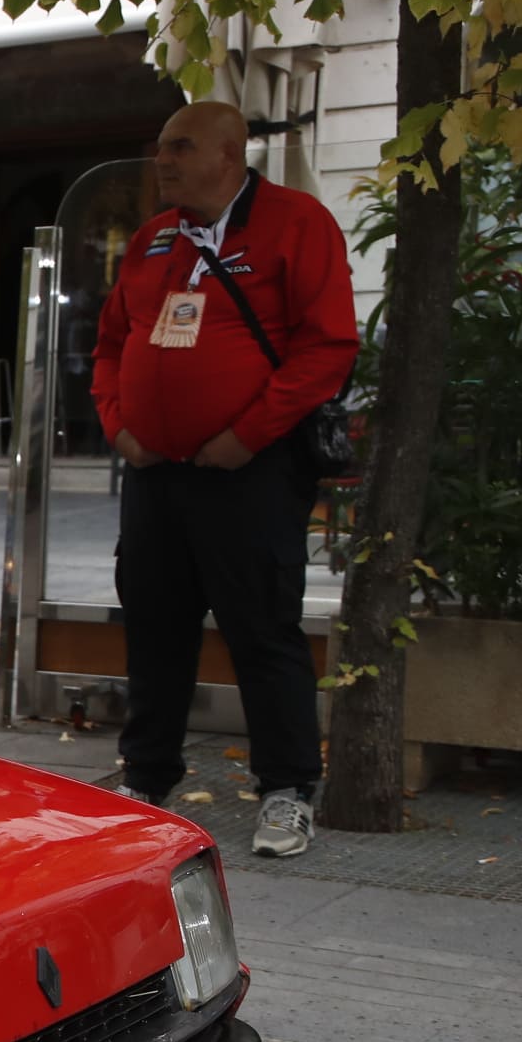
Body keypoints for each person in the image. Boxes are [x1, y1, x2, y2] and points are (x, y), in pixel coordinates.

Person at [94, 100, 357, 857]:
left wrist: (248, 435)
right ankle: (146, 777)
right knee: (153, 627)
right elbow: (112, 345)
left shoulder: (294, 222)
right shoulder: (153, 239)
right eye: (159, 146)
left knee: (263, 632)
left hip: (251, 472)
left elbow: (327, 347)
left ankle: (286, 792)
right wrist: (119, 427)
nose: (163, 160)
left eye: (180, 147)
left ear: (229, 154)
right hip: (157, 475)